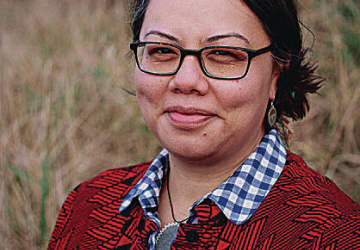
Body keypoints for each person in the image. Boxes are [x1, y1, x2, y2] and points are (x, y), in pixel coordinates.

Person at [48, 0, 360, 249]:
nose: (185, 81)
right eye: (162, 51)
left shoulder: (335, 235)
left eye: (224, 54)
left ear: (276, 76)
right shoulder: (87, 207)